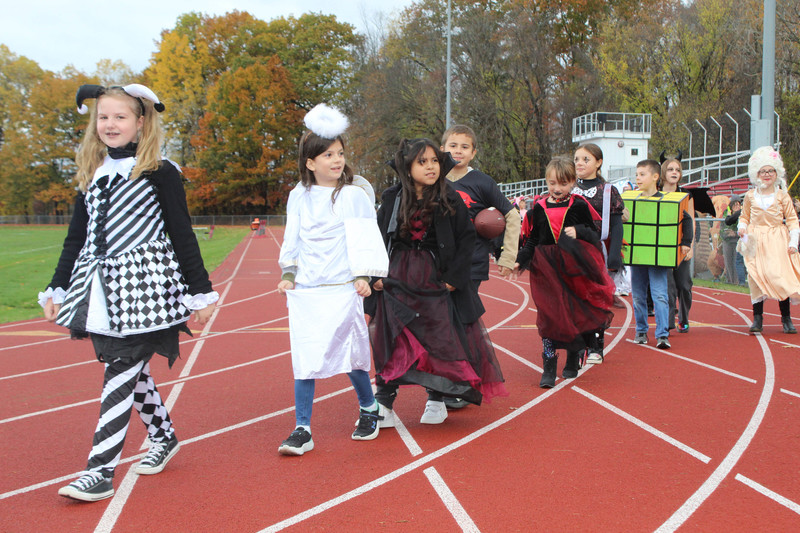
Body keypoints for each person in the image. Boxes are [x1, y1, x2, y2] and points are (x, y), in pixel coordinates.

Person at [39, 84, 218, 502]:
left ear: (140, 121)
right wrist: (58, 286)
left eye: (120, 116)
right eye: (103, 116)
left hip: (145, 290)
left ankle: (99, 471)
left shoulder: (160, 171)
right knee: (127, 368)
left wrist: (201, 292)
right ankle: (164, 436)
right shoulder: (93, 171)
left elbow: (182, 234)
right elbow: (76, 239)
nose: (110, 124)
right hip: (100, 292)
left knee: (120, 369)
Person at [367, 138, 506, 425]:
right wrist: (375, 275)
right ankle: (385, 402)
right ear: (407, 167)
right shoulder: (392, 197)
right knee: (391, 337)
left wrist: (454, 278)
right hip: (397, 278)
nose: (431, 167)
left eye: (434, 161)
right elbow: (376, 237)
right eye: (422, 162)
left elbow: (466, 239)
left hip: (435, 279)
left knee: (438, 338)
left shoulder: (449, 196)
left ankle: (436, 398)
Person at [277, 104, 390, 455]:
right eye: (328, 155)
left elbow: (364, 238)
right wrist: (289, 273)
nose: (337, 160)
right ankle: (302, 428)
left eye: (340, 153)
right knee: (305, 358)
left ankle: (369, 408)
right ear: (310, 163)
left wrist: (363, 275)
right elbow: (293, 237)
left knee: (351, 355)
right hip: (308, 291)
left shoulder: (353, 195)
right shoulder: (299, 195)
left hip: (343, 289)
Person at [513, 157, 615, 387]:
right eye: (552, 183)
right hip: (546, 269)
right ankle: (548, 364)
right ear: (546, 181)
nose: (557, 188)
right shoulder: (539, 208)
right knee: (548, 315)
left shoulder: (579, 205)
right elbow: (533, 240)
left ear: (573, 182)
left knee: (572, 313)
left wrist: (578, 230)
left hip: (574, 267)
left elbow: (593, 234)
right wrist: (520, 260)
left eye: (563, 183)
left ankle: (572, 356)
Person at [630, 160, 693, 349]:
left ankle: (662, 334)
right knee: (638, 296)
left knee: (660, 296)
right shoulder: (631, 199)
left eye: (642, 174)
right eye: (637, 174)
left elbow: (686, 219)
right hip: (638, 256)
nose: (638, 178)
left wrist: (686, 243)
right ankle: (641, 330)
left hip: (658, 258)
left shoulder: (667, 200)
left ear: (655, 177)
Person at [737, 146, 800, 334]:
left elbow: (792, 220)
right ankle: (757, 318)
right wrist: (742, 228)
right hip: (756, 241)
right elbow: (744, 217)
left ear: (776, 172)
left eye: (770, 170)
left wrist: (793, 243)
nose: (767, 174)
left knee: (780, 277)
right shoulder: (750, 196)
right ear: (756, 173)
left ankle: (786, 318)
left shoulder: (782, 195)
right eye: (763, 171)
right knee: (755, 277)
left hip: (777, 240)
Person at [571, 143, 625, 363]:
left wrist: (614, 254)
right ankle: (576, 347)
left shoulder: (608, 191)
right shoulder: (568, 187)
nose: (579, 163)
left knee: (595, 298)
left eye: (586, 159)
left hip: (596, 251)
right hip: (570, 251)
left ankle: (595, 345)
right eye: (576, 159)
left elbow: (616, 225)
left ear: (598, 163)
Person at [660, 157, 695, 332]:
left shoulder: (686, 195)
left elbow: (691, 220)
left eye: (678, 170)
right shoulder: (656, 193)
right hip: (663, 247)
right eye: (670, 169)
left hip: (682, 246)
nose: (674, 172)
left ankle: (684, 317)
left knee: (684, 285)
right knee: (668, 287)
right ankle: (668, 321)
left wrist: (690, 245)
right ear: (663, 173)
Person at [722, 194, 744, 285]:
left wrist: (735, 233)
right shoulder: (726, 213)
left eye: (738, 204)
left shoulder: (742, 213)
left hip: (738, 241)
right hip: (727, 241)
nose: (737, 206)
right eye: (734, 204)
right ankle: (730, 280)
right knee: (729, 262)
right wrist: (727, 233)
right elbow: (723, 226)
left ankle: (738, 281)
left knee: (737, 261)